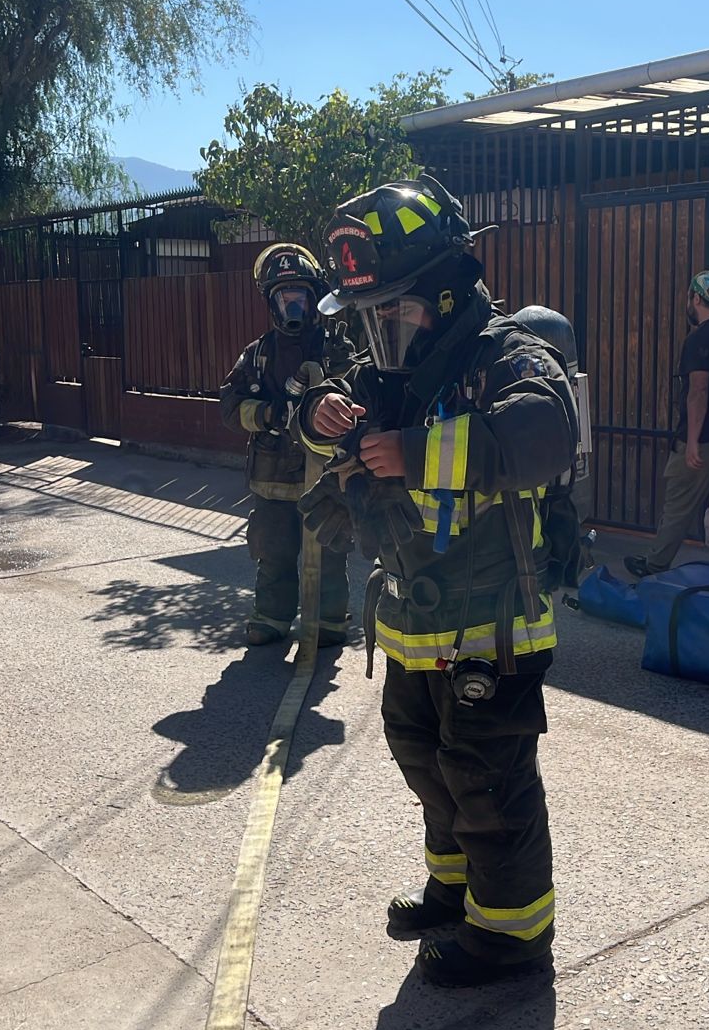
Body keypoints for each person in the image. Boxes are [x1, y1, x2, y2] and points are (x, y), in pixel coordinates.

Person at [296, 174, 580, 988]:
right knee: (424, 759)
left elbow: (544, 433)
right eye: (370, 317)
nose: (382, 331)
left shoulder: (506, 357)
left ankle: (511, 936)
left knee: (487, 778)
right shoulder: (391, 366)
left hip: (493, 623)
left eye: (395, 310)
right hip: (413, 622)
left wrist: (418, 453)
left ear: (447, 292)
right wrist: (317, 413)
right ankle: (454, 891)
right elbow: (332, 424)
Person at [219, 242, 351, 647]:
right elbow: (230, 406)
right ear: (272, 303)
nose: (293, 306)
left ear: (314, 301)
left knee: (328, 553)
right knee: (273, 552)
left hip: (325, 477)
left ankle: (328, 622)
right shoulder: (256, 355)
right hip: (272, 478)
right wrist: (271, 416)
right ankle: (272, 617)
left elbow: (358, 395)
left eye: (300, 297)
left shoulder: (335, 350)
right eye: (285, 297)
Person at [624, 269, 709, 580]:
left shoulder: (700, 339)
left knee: (678, 503)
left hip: (706, 437)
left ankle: (656, 565)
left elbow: (699, 390)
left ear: (696, 298)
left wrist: (693, 441)